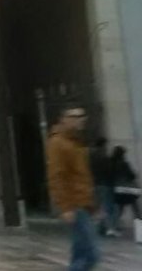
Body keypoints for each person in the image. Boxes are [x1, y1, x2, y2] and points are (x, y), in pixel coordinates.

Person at [46, 105, 99, 270]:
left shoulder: (76, 143)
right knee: (90, 254)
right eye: (74, 116)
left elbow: (82, 177)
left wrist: (93, 205)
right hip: (75, 205)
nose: (79, 120)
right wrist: (65, 207)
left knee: (80, 252)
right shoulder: (58, 143)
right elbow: (56, 176)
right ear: (64, 119)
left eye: (82, 116)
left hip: (83, 203)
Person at [109, 146, 139, 232]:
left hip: (118, 189)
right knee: (135, 209)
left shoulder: (112, 163)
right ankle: (140, 228)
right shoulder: (124, 163)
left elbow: (111, 177)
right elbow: (132, 175)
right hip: (128, 189)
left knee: (119, 209)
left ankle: (113, 227)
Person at [89, 137, 115, 236]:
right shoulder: (103, 156)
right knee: (106, 206)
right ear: (103, 145)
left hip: (94, 183)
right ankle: (108, 228)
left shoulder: (91, 156)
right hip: (104, 183)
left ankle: (97, 228)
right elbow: (108, 171)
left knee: (97, 206)